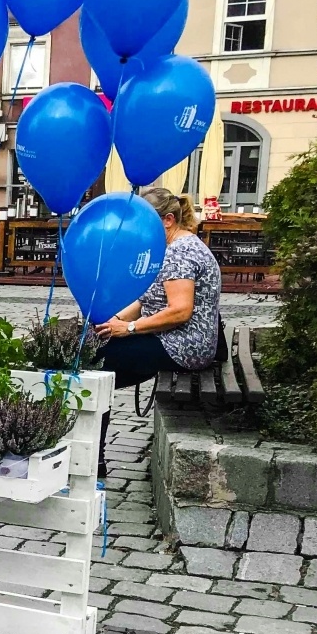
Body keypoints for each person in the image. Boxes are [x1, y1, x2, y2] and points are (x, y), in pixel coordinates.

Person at [92, 186, 222, 476]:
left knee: (97, 365)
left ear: (168, 220)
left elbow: (180, 311)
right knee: (97, 350)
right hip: (173, 339)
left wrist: (129, 328)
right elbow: (145, 300)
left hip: (184, 345)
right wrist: (111, 322)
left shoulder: (180, 253)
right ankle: (92, 455)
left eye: (145, 223)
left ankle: (91, 458)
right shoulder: (173, 246)